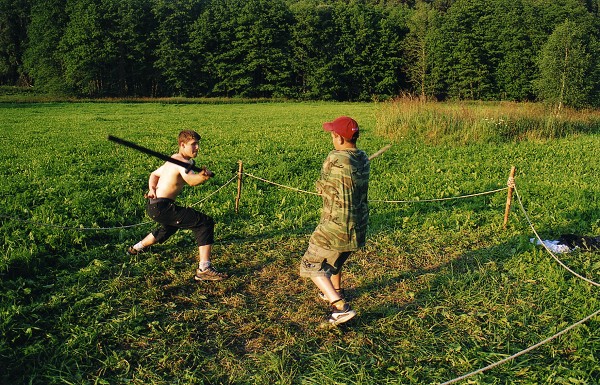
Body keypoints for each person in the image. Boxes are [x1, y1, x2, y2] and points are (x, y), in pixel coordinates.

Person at [127, 130, 228, 281]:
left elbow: (154, 174)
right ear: (182, 144)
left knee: (168, 228)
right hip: (162, 207)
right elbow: (191, 181)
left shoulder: (174, 159)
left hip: (155, 206)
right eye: (193, 144)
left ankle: (136, 248)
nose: (197, 148)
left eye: (198, 144)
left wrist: (152, 189)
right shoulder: (182, 163)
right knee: (204, 222)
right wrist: (203, 177)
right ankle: (204, 269)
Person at [300, 116, 370, 325]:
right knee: (334, 260)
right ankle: (334, 289)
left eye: (332, 135)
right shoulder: (363, 157)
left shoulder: (335, 157)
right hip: (358, 224)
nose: (332, 139)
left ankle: (339, 306)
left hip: (335, 224)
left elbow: (322, 186)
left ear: (339, 138)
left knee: (310, 264)